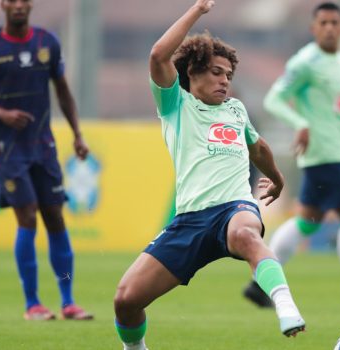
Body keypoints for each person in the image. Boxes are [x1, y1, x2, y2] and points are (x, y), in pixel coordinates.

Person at [112, 1, 305, 349]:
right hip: (188, 222)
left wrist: (276, 178)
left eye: (229, 75)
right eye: (217, 71)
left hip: (233, 208)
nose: (224, 80)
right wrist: (198, 10)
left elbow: (258, 147)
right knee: (126, 300)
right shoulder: (175, 105)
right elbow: (158, 55)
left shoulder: (236, 109)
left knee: (247, 234)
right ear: (193, 72)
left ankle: (285, 305)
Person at [242, 1, 340, 312]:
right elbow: (274, 99)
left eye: (334, 22)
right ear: (313, 28)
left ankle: (259, 283)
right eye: (323, 23)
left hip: (331, 156)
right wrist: (300, 123)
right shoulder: (304, 62)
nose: (329, 28)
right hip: (325, 156)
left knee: (307, 223)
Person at [0, 0, 92, 321]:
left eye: (24, 0)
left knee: (55, 217)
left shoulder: (47, 42)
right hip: (8, 149)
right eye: (12, 0)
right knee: (28, 217)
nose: (18, 5)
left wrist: (77, 133)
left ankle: (68, 301)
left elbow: (62, 90)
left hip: (43, 146)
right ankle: (32, 304)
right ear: (3, 5)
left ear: (30, 5)